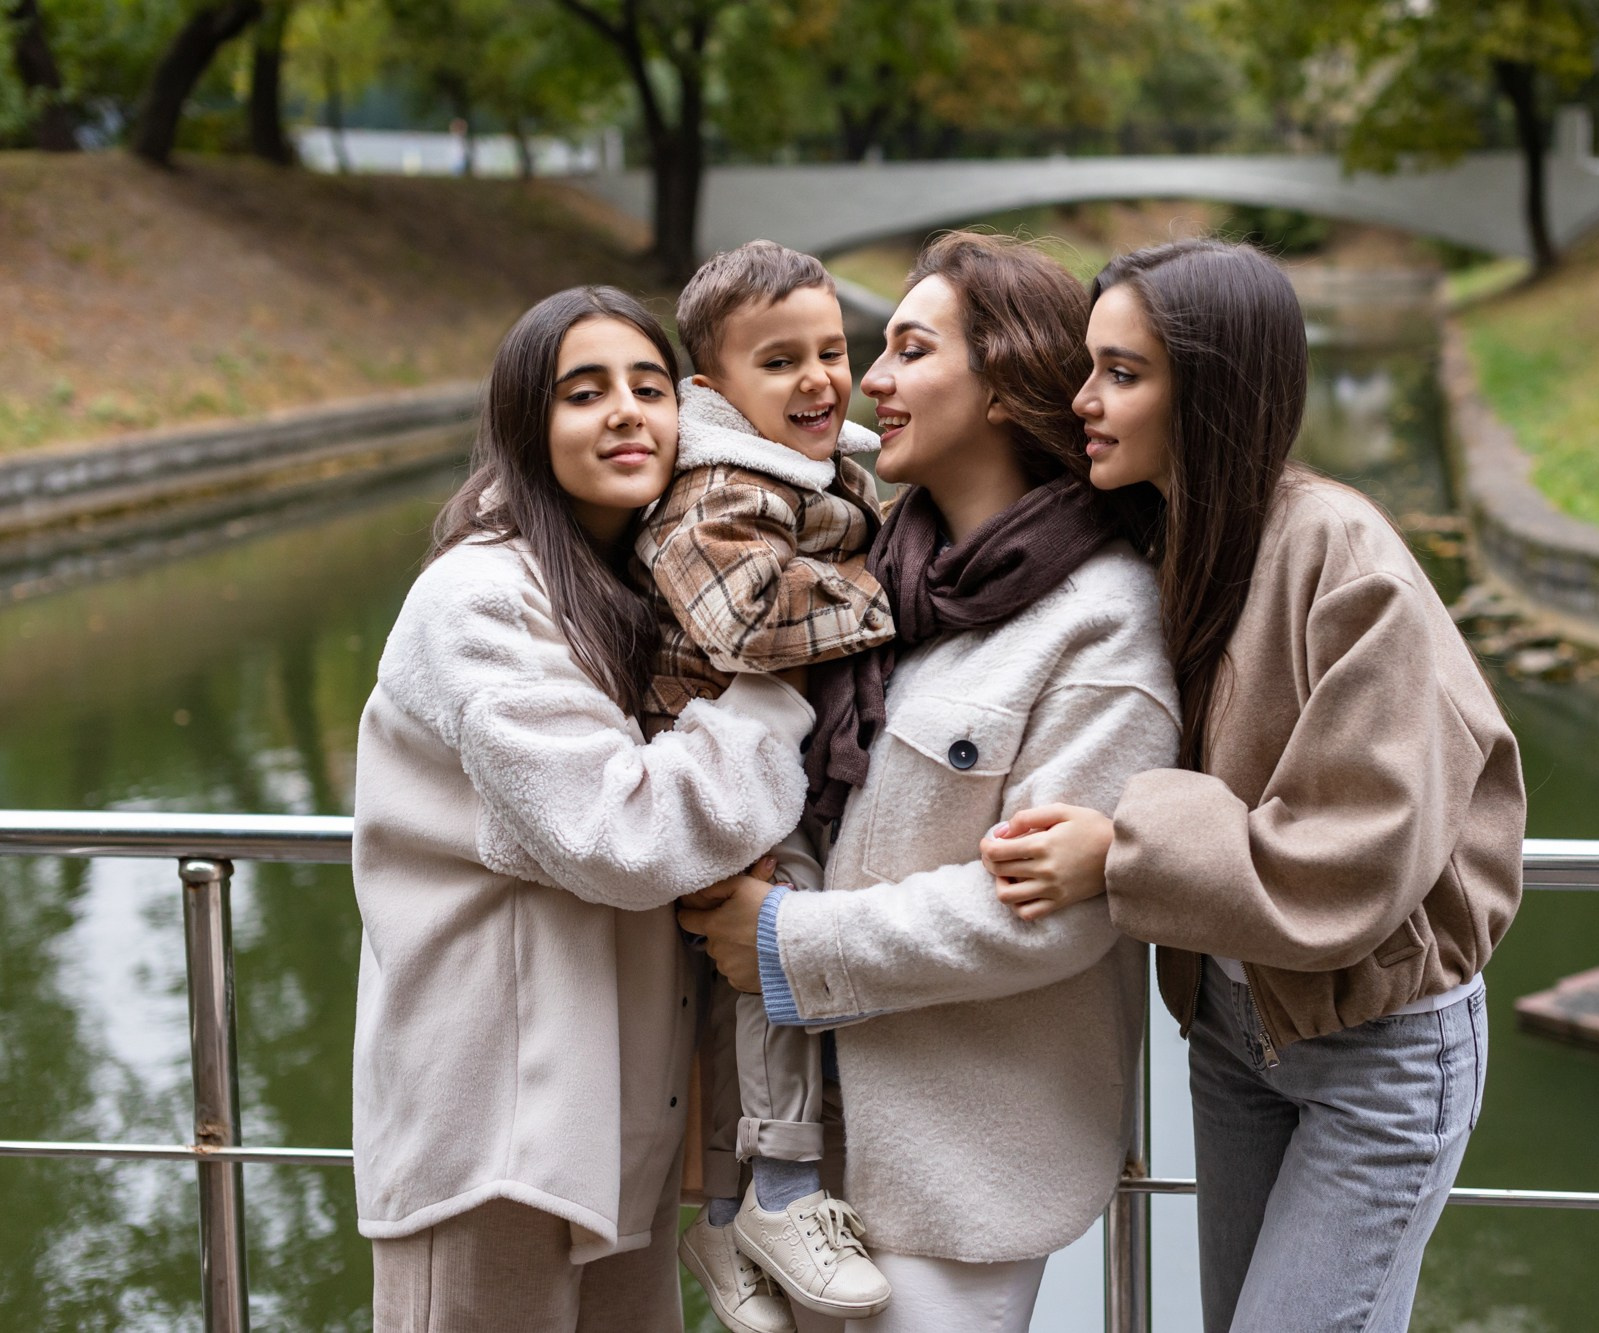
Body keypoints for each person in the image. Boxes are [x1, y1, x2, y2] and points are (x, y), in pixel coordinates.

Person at [979, 239, 1527, 1333]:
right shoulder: (1168, 535)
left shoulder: (1343, 555)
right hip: (1234, 1029)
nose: (1085, 400)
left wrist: (1119, 851)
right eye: (1092, 367)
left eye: (1122, 374)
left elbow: (1355, 853)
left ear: (1214, 386)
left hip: (1377, 1039)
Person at [679, 233, 1179, 1333]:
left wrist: (780, 941)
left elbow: (1051, 917)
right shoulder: (861, 566)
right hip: (795, 1155)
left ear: (1002, 384)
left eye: (908, 350)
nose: (868, 379)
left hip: (958, 1163)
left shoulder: (1101, 622)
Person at [351, 285, 816, 1333]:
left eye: (648, 386)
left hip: (616, 1122)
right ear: (526, 425)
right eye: (583, 392)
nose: (624, 412)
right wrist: (772, 693)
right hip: (493, 1128)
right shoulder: (478, 598)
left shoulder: (641, 590)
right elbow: (621, 835)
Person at [636, 241, 893, 1331]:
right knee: (775, 948)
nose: (818, 379)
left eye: (831, 351)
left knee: (752, 982)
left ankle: (726, 1207)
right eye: (778, 361)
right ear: (711, 393)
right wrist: (888, 600)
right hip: (723, 769)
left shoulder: (822, 468)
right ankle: (782, 1184)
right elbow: (739, 619)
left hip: (772, 758)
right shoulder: (716, 488)